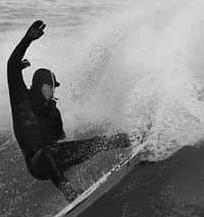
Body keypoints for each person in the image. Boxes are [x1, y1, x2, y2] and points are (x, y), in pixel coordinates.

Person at [7, 20, 129, 195]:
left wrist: (53, 115)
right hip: (37, 163)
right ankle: (68, 191)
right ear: (40, 85)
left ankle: (135, 139)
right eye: (50, 87)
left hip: (54, 155)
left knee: (97, 143)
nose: (52, 91)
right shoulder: (22, 100)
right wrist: (28, 40)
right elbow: (11, 66)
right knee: (45, 153)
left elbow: (58, 141)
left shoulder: (52, 111)